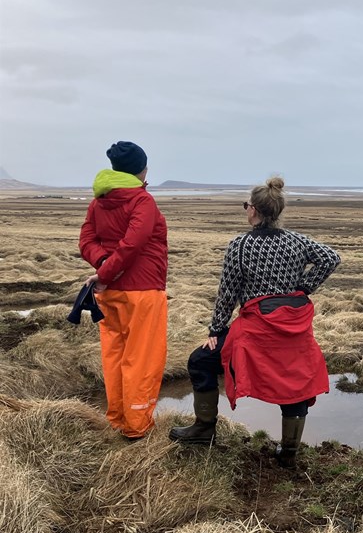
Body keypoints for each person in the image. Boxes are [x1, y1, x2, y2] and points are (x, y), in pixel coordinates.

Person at [169, 176, 340, 467]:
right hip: (293, 331)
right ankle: (289, 453)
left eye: (246, 205)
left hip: (256, 331)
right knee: (296, 380)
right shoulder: (297, 241)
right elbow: (331, 258)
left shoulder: (241, 246)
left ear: (254, 210)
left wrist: (216, 330)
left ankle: (204, 430)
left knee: (200, 360)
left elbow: (227, 293)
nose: (246, 209)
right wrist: (303, 289)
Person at [79, 141, 168, 440]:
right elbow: (133, 244)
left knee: (114, 355)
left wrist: (103, 266)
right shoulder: (142, 201)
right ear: (140, 170)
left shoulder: (99, 201)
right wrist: (106, 271)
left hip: (109, 294)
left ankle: (117, 418)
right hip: (143, 291)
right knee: (142, 359)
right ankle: (137, 425)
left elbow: (86, 241)